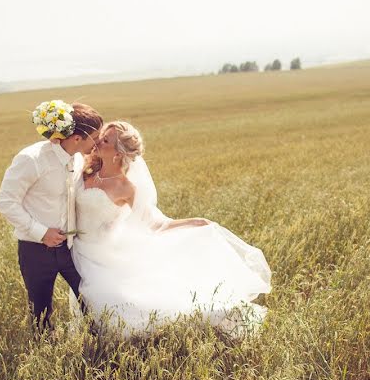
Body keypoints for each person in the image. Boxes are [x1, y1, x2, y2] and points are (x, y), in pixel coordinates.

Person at [70, 121, 271, 338]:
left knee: (112, 298)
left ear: (118, 153)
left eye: (105, 140)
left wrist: (194, 222)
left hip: (102, 253)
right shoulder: (87, 168)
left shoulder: (125, 187)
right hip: (79, 247)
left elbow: (153, 224)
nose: (97, 141)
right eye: (101, 136)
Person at [0, 100, 102, 332]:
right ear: (77, 138)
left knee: (92, 302)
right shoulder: (31, 159)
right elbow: (6, 202)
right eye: (94, 137)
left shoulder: (78, 158)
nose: (97, 142)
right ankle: (46, 355)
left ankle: (100, 348)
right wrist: (41, 232)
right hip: (36, 251)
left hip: (71, 248)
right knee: (41, 314)